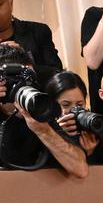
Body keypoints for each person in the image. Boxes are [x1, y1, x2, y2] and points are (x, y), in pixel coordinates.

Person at [0, 44, 87, 176]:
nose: (20, 84)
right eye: (13, 78)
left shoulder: (41, 111)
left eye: (28, 77)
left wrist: (43, 130)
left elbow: (80, 168)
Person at [0, 0, 63, 85]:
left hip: (35, 99)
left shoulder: (38, 32)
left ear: (11, 3)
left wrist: (25, 65)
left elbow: (58, 75)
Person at [46, 71, 100, 159]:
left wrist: (89, 153)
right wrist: (57, 133)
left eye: (79, 105)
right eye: (66, 105)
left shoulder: (92, 130)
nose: (74, 110)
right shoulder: (44, 132)